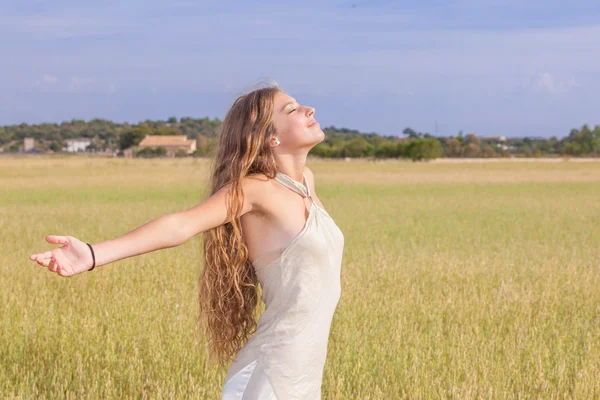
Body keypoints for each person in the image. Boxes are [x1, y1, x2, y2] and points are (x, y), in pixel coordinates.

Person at [28, 84, 345, 399]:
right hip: (275, 372)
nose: (309, 110)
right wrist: (92, 254)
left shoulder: (306, 183)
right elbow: (180, 224)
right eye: (291, 109)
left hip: (305, 373)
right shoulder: (255, 189)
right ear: (269, 137)